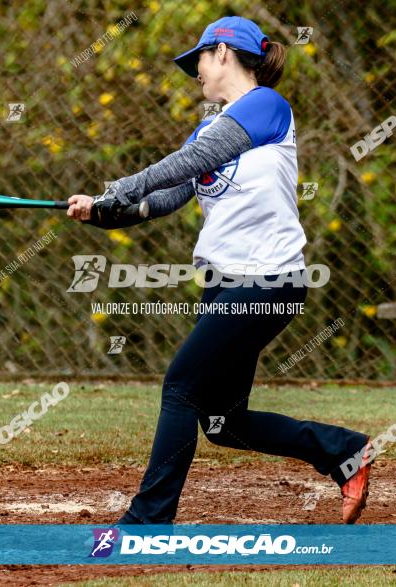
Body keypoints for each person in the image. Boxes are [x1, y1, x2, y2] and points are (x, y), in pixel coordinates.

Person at [65, 16, 372, 524]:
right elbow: (166, 196)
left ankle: (148, 521)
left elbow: (194, 159)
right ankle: (344, 450)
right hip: (226, 284)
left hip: (266, 281)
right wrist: (105, 210)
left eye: (200, 61)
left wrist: (125, 184)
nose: (197, 74)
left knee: (181, 387)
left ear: (224, 53)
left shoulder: (267, 106)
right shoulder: (209, 126)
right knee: (223, 422)